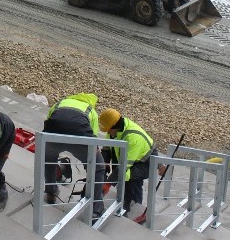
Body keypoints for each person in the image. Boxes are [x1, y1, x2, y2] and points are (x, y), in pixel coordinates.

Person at [42, 92, 105, 223]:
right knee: (97, 167)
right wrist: (95, 153)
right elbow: (92, 135)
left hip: (54, 134)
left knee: (49, 159)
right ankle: (95, 210)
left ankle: (51, 192)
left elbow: (48, 120)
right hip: (79, 136)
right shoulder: (90, 110)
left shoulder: (59, 103)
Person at [98, 108, 158, 214]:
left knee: (130, 177)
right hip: (126, 156)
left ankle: (134, 208)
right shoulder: (113, 130)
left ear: (115, 126)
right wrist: (105, 163)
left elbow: (124, 166)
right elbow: (107, 149)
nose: (108, 132)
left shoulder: (133, 137)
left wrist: (108, 184)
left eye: (109, 130)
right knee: (121, 176)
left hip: (146, 162)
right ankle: (124, 199)